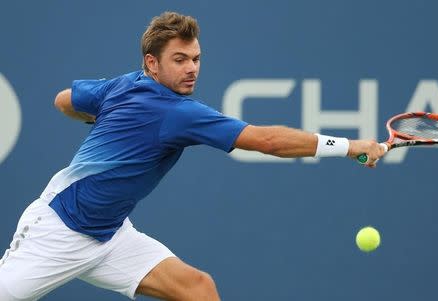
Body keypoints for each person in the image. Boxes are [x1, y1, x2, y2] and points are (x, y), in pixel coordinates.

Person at [0, 11, 385, 301]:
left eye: (196, 58)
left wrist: (108, 120)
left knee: (199, 289)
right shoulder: (177, 112)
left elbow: (63, 100)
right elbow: (268, 141)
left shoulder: (124, 84)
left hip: (111, 234)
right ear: (152, 62)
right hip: (58, 231)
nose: (192, 69)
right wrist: (351, 147)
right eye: (180, 59)